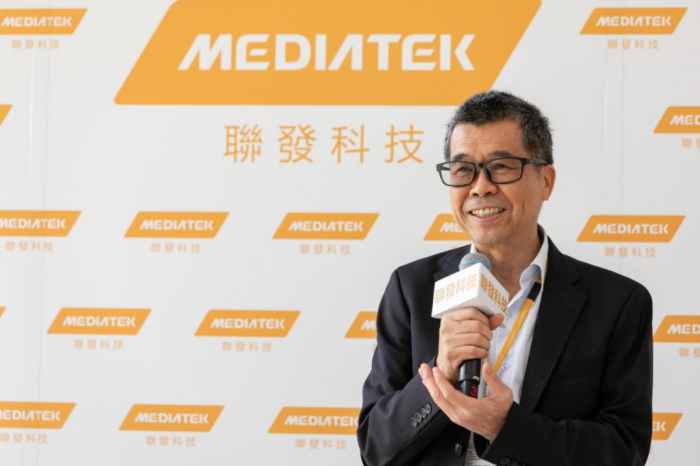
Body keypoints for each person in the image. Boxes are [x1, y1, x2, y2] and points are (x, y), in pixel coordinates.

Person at [357, 91, 653, 466]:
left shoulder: (617, 303)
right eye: (463, 169)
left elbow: (623, 450)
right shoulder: (411, 288)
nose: (480, 187)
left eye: (501, 166)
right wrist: (441, 371)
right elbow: (375, 448)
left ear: (546, 181)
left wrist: (507, 429)